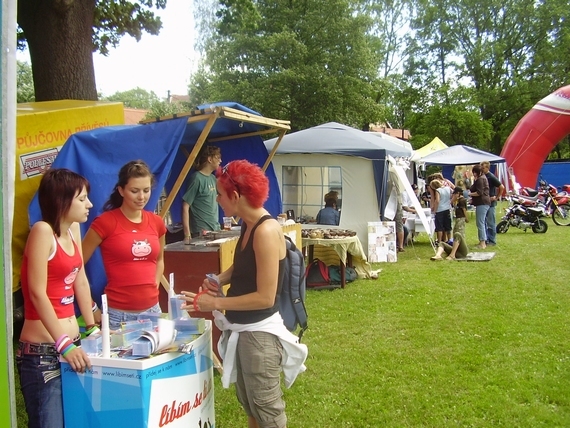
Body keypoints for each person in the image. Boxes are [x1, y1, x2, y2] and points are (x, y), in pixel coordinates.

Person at [179, 160, 308, 428]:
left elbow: (265, 297)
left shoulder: (266, 231)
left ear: (236, 197)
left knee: (267, 411)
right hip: (244, 331)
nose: (217, 199)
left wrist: (214, 302)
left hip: (260, 335)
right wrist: (219, 278)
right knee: (251, 405)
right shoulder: (248, 224)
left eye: (220, 194)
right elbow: (244, 263)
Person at [17, 168, 96, 428]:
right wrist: (63, 344)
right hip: (44, 355)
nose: (89, 204)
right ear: (63, 199)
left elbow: (80, 281)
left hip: (71, 346)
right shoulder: (42, 231)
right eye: (82, 198)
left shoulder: (73, 230)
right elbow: (37, 292)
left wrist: (92, 327)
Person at [82, 160, 166, 330]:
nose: (141, 197)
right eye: (134, 191)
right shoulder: (105, 222)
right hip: (118, 316)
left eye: (146, 190)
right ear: (121, 190)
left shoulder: (156, 222)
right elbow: (75, 266)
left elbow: (160, 260)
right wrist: (91, 307)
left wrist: (153, 287)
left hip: (153, 311)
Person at [182, 145, 222, 243]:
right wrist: (187, 234)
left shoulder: (213, 178)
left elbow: (220, 198)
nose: (220, 161)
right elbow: (185, 206)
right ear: (209, 159)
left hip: (215, 229)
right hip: (201, 232)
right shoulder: (196, 178)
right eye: (218, 158)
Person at [430, 186, 469, 260]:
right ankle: (438, 255)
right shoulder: (457, 200)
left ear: (458, 193)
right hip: (457, 218)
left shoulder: (462, 200)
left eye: (455, 194)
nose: (453, 196)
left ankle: (452, 255)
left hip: (462, 252)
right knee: (441, 242)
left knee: (458, 234)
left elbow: (464, 210)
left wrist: (466, 218)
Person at [480, 161, 505, 246]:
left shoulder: (491, 176)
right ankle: (486, 239)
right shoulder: (483, 176)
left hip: (491, 203)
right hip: (485, 202)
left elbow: (501, 187)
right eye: (481, 168)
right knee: (485, 222)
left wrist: (496, 197)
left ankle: (492, 240)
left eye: (483, 168)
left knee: (491, 222)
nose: (482, 169)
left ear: (487, 168)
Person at [469, 164, 490, 249]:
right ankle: (482, 241)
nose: (474, 174)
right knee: (482, 223)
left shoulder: (481, 179)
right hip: (482, 203)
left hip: (482, 203)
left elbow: (479, 192)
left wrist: (469, 194)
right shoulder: (480, 178)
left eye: (475, 172)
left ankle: (482, 243)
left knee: (480, 223)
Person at [430, 179, 453, 245]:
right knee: (448, 226)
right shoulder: (448, 188)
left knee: (439, 227)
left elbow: (437, 201)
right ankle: (449, 240)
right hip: (447, 208)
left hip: (440, 210)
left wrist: (435, 210)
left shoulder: (438, 191)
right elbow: (453, 194)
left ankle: (439, 241)